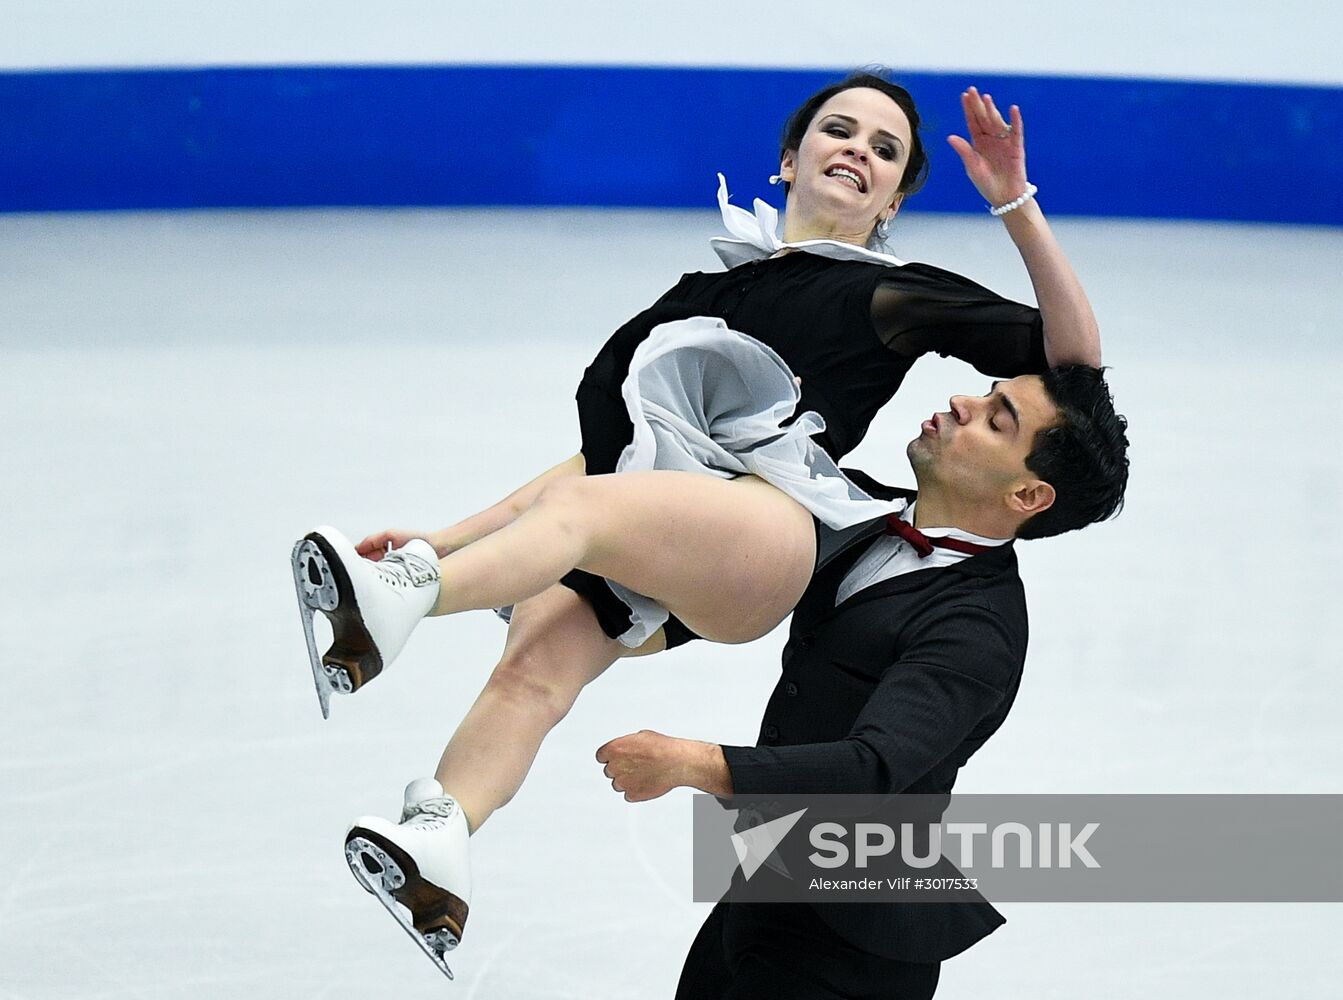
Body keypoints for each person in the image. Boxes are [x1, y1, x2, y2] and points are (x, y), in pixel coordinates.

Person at [291, 74, 1103, 978]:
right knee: (532, 661)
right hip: (661, 524)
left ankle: (391, 609)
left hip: (763, 527)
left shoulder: (889, 294)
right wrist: (440, 541)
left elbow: (1074, 367)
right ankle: (439, 843)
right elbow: (594, 461)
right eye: (838, 130)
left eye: (885, 151)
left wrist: (1014, 204)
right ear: (788, 159)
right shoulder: (699, 293)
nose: (857, 153)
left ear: (894, 198)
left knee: (584, 520)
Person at [593, 365, 1131, 999]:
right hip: (770, 880)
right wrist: (613, 628)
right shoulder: (858, 510)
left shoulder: (976, 630)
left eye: (996, 419)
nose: (961, 401)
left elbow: (872, 769)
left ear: (1027, 496)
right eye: (984, 394)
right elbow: (742, 582)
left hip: (855, 943)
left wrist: (693, 763)